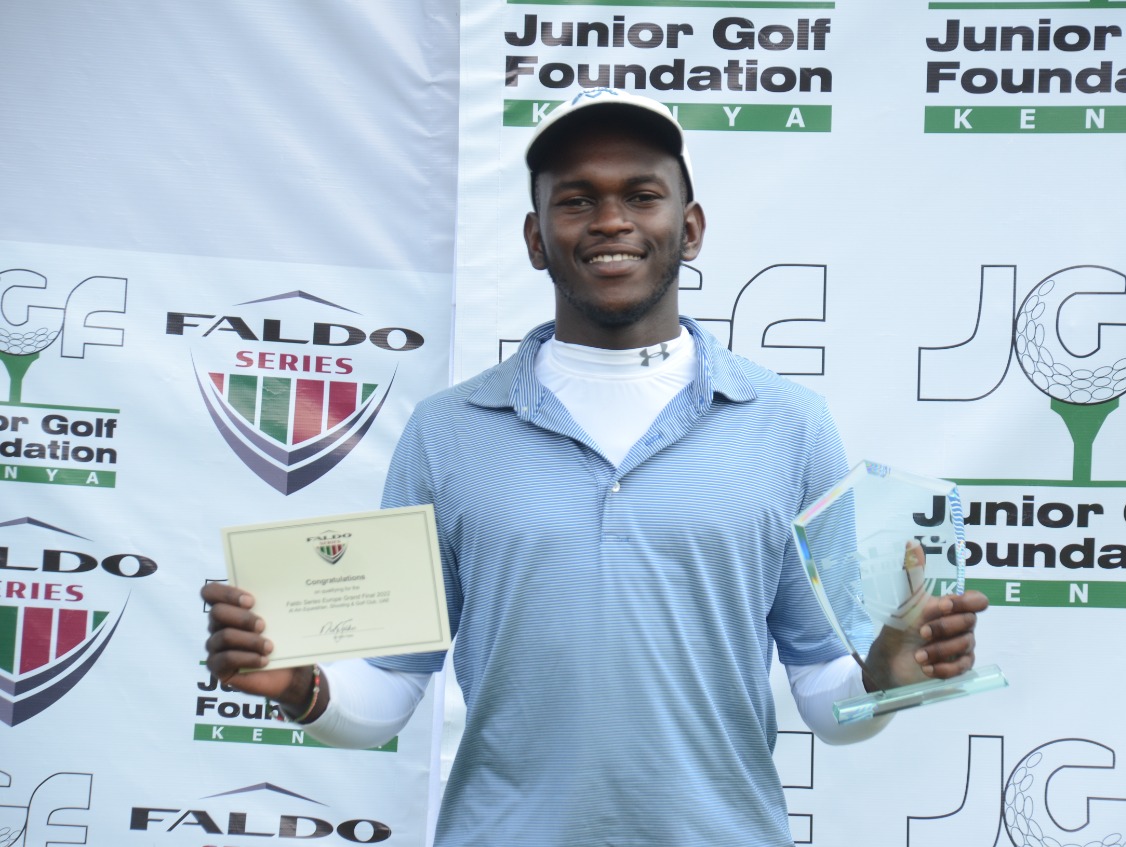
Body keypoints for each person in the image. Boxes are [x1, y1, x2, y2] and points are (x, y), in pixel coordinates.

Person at [203, 87, 989, 846]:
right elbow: (390, 686)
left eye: (641, 195)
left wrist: (885, 677)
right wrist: (302, 686)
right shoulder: (444, 433)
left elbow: (825, 691)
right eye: (576, 199)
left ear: (691, 226)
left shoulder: (789, 423)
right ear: (536, 237)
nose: (610, 219)